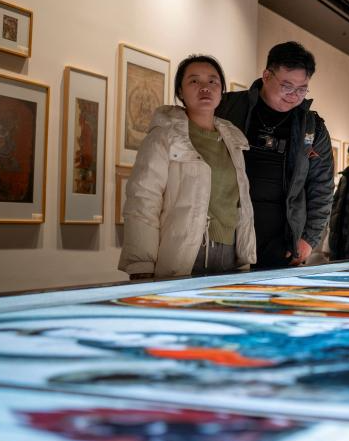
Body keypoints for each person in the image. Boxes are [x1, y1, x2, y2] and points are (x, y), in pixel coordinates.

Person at [119, 55, 255, 279]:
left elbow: (241, 205)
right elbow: (143, 199)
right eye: (194, 81)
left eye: (212, 81)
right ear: (180, 92)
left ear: (221, 90)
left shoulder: (234, 141)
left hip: (230, 257)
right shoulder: (164, 136)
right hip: (184, 253)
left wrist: (245, 253)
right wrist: (141, 264)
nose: (205, 87)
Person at [216, 41, 333, 268]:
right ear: (267, 75)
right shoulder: (228, 108)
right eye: (287, 86)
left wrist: (309, 239)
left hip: (282, 241)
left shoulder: (313, 127)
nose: (294, 95)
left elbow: (322, 186)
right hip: (227, 232)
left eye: (302, 89)